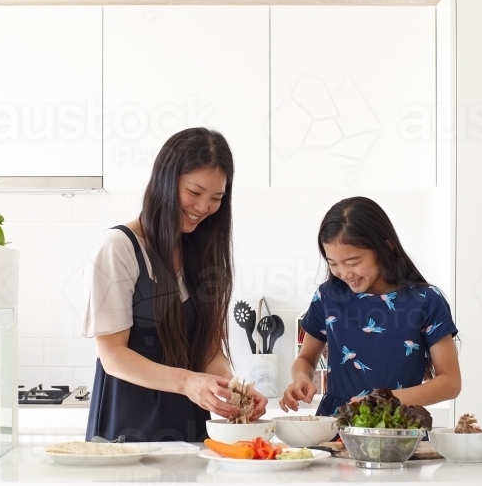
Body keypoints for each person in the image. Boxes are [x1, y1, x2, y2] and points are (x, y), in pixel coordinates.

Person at [82, 127, 267, 442]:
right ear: (165, 180)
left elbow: (209, 351)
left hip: (189, 426)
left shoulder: (202, 251)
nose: (203, 207)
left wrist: (235, 388)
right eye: (194, 192)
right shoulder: (120, 246)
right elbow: (112, 355)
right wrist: (187, 383)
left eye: (216, 198)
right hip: (128, 426)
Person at [280, 196, 461, 415]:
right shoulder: (328, 296)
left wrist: (382, 400)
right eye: (333, 263)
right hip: (335, 424)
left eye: (353, 262)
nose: (344, 273)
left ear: (385, 248)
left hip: (397, 426)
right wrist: (301, 378)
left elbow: (450, 382)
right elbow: (306, 359)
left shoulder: (426, 300)